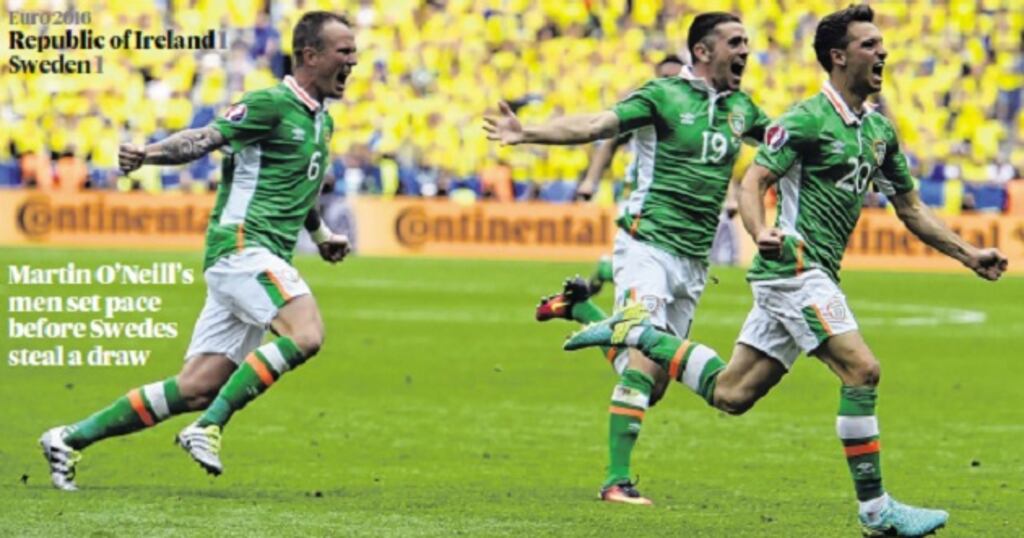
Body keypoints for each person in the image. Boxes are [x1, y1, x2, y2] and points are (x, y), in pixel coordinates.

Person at [564, 5, 1008, 535]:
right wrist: (759, 231)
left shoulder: (880, 133)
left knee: (732, 394)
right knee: (861, 369)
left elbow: (910, 209)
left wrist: (969, 253)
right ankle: (876, 511)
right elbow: (753, 181)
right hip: (794, 268)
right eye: (870, 45)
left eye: (882, 43)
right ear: (839, 57)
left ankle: (636, 331)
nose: (883, 52)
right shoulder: (803, 120)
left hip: (815, 273)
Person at [39, 11, 358, 491]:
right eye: (344, 51)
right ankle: (208, 426)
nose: (353, 61)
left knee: (196, 386)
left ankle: (68, 438)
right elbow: (206, 138)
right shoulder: (269, 104)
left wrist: (321, 234)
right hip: (243, 248)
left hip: (259, 257)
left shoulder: (320, 121)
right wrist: (148, 154)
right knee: (307, 333)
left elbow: (300, 188)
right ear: (311, 56)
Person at [486, 12, 770, 504]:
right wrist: (527, 131)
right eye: (735, 42)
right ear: (702, 51)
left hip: (694, 262)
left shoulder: (743, 109)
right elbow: (597, 124)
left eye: (747, 42)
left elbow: (790, 147)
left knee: (652, 384)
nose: (746, 51)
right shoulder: (662, 96)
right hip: (647, 246)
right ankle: (615, 481)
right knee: (642, 364)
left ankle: (584, 311)